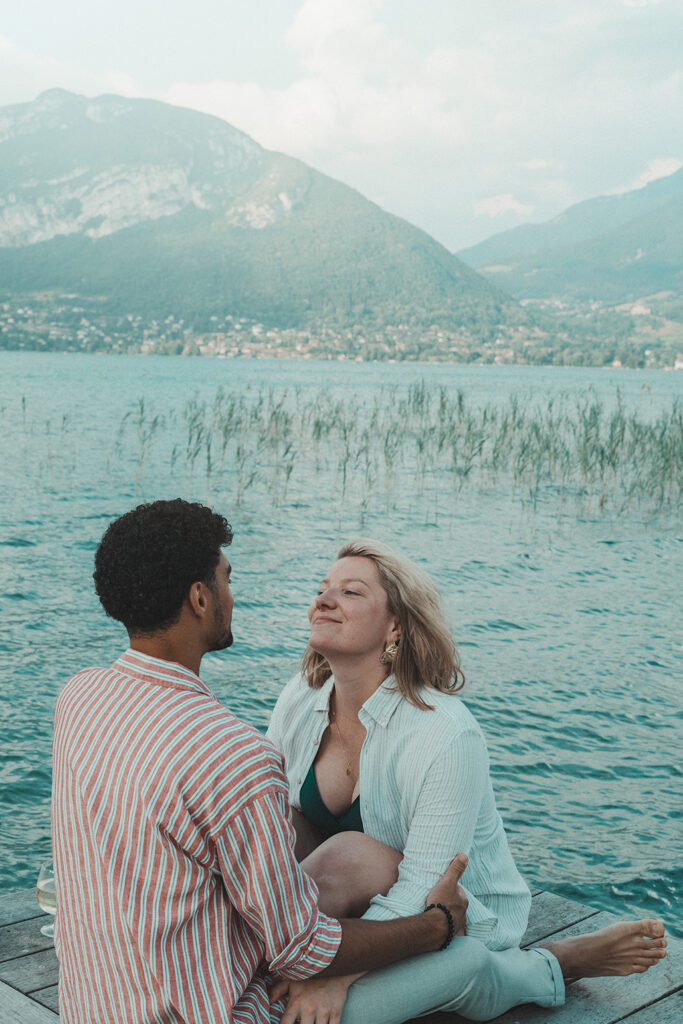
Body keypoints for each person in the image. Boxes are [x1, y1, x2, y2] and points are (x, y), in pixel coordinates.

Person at [51, 501, 470, 1024]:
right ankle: (556, 964)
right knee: (466, 964)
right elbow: (302, 950)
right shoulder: (234, 753)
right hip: (215, 1013)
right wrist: (438, 925)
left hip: (90, 1007)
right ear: (200, 598)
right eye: (227, 578)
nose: (232, 593)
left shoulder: (79, 698)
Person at [266, 538, 668, 1024]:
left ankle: (553, 963)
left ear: (396, 626)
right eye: (322, 588)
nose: (324, 600)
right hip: (349, 901)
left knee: (333, 1011)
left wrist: (337, 972)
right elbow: (275, 829)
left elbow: (428, 888)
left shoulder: (444, 731)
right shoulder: (300, 697)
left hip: (451, 916)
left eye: (350, 593)